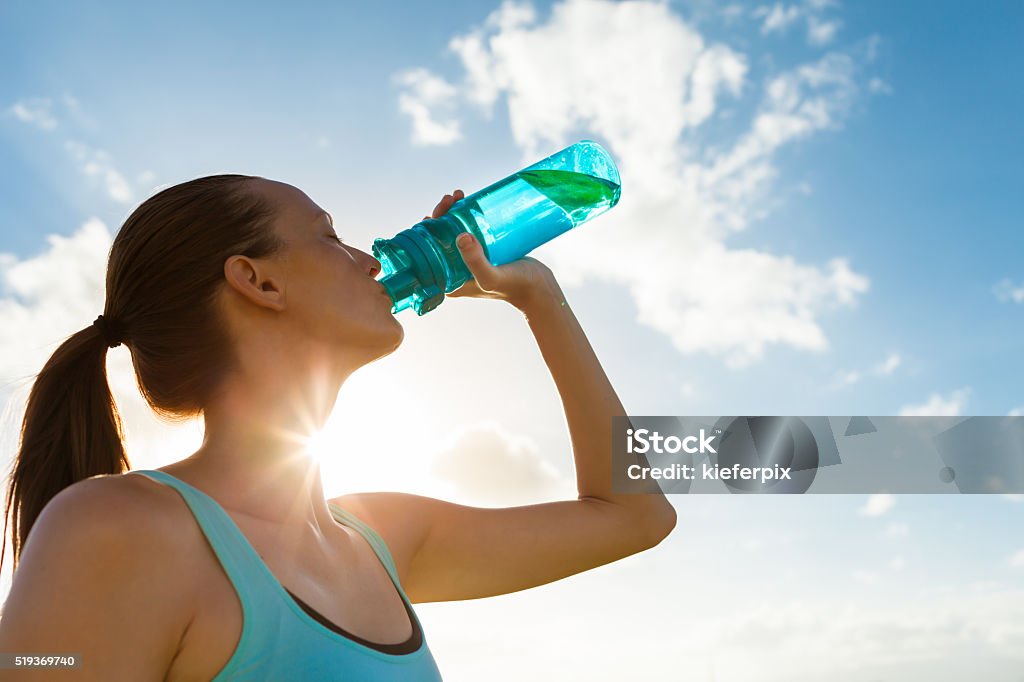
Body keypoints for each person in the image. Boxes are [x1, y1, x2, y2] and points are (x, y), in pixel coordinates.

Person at [0, 174, 676, 680]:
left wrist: (536, 296)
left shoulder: (378, 538)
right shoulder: (118, 528)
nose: (371, 259)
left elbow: (636, 515)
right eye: (329, 236)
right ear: (257, 282)